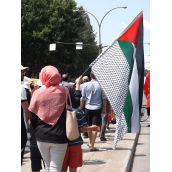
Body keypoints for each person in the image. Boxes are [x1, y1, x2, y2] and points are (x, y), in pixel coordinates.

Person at [29, 65, 83, 172]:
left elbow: (32, 118)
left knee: (48, 167)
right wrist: (77, 86)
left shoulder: (37, 93)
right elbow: (76, 104)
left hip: (41, 137)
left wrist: (34, 135)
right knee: (55, 168)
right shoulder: (64, 91)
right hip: (59, 136)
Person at [61, 88, 97, 172]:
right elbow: (82, 129)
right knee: (73, 169)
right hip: (75, 143)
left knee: (62, 169)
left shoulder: (59, 112)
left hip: (62, 144)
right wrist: (92, 128)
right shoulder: (78, 111)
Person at [80, 71, 107, 151]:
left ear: (90, 76)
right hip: (97, 107)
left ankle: (90, 142)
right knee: (95, 127)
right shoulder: (101, 85)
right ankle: (92, 145)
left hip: (87, 107)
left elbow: (83, 98)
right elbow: (104, 98)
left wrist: (81, 108)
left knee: (88, 126)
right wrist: (104, 108)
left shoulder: (85, 85)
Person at [21, 65, 30, 166]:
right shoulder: (21, 89)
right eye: (21, 72)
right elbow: (26, 110)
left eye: (23, 72)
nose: (23, 74)